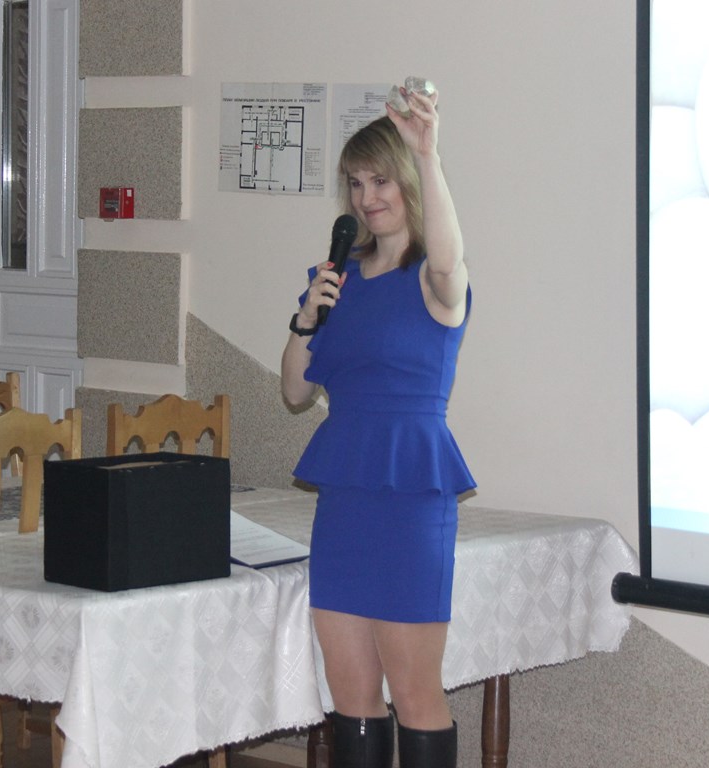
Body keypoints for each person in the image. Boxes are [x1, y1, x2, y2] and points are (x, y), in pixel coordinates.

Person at [281, 83, 474, 768]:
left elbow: (447, 258)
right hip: (345, 497)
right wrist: (306, 316)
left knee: (415, 693)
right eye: (356, 183)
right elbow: (295, 390)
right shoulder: (337, 277)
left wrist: (428, 154)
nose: (367, 198)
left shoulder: (434, 280)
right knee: (350, 695)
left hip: (410, 495)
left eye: (381, 180)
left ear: (408, 183)